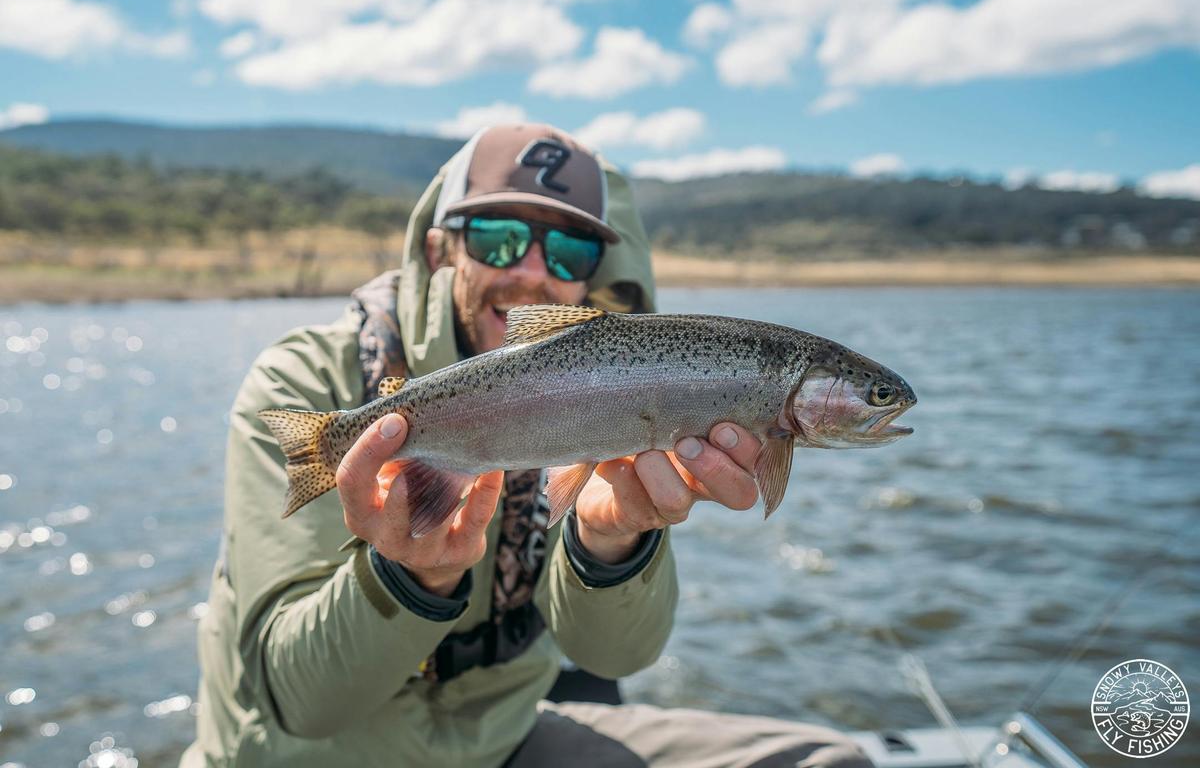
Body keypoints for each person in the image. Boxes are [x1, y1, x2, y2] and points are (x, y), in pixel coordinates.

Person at [182, 123, 873, 767]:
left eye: (569, 250)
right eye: (500, 239)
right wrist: (408, 576)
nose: (533, 273)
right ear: (439, 249)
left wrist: (612, 541)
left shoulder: (621, 393)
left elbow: (614, 654)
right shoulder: (307, 380)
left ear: (593, 274)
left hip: (503, 743)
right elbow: (300, 703)